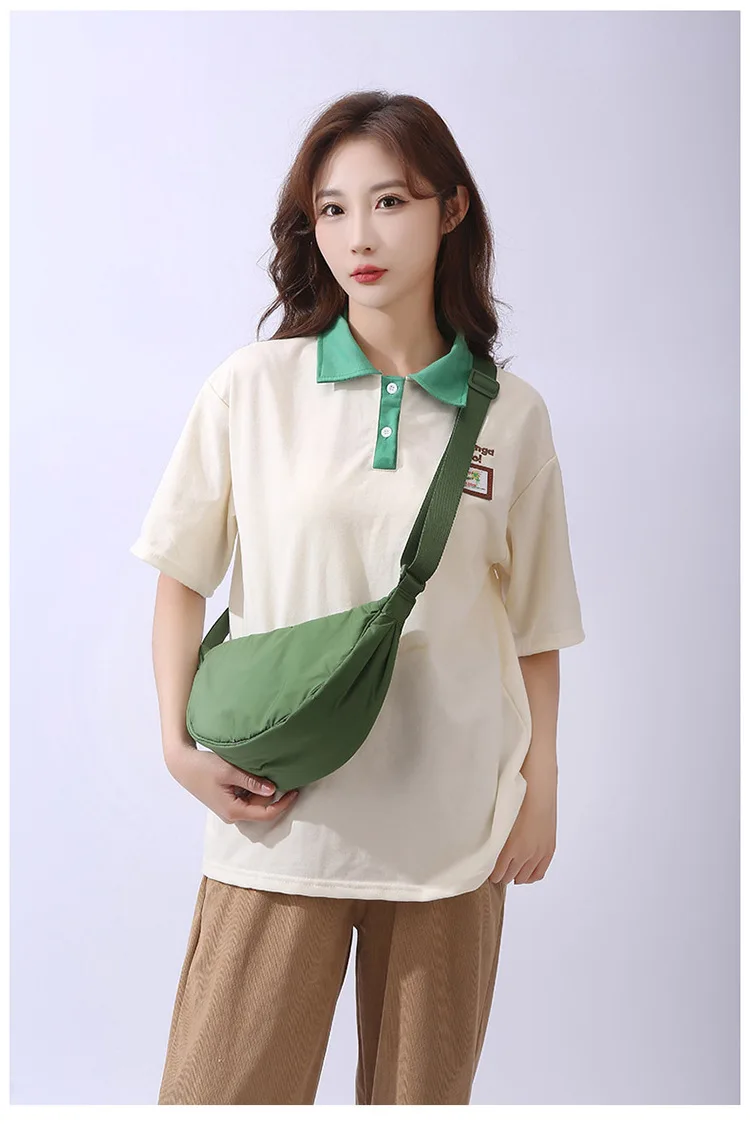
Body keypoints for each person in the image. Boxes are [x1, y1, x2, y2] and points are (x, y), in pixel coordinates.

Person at [130, 90, 586, 1105]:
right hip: (278, 822)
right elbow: (180, 575)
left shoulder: (512, 416)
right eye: (332, 210)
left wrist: (542, 784)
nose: (359, 237)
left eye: (390, 202)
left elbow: (538, 626)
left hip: (451, 835)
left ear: (451, 210)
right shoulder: (252, 387)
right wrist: (176, 748)